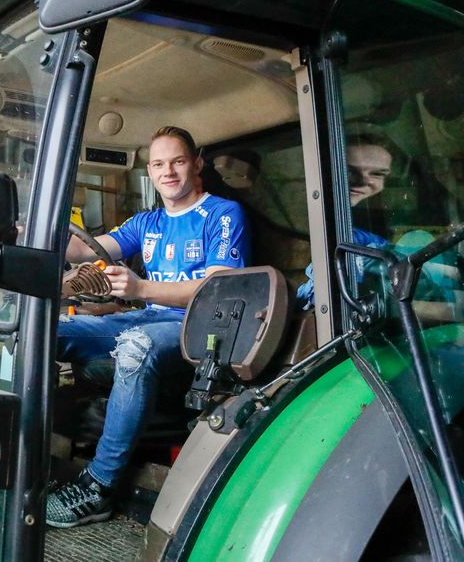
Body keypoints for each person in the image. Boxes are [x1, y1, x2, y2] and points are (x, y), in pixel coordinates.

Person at [45, 126, 250, 528]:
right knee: (45, 330)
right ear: (150, 172)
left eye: (177, 161)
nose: (167, 172)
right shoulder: (147, 222)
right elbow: (85, 247)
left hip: (197, 326)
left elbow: (218, 288)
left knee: (137, 345)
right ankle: (25, 452)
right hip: (146, 318)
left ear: (196, 164)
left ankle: (98, 488)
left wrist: (141, 288)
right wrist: (35, 231)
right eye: (158, 164)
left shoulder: (223, 214)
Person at [296, 134, 392, 308]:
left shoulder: (363, 231)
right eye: (349, 171)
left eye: (377, 174)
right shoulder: (326, 222)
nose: (363, 182)